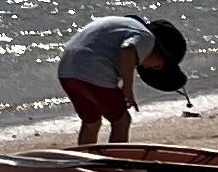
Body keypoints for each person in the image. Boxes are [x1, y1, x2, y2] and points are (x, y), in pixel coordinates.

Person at [55, 12, 187, 147]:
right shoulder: (147, 38)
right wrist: (128, 88)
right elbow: (128, 49)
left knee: (91, 122)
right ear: (157, 50)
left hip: (66, 70)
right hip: (94, 70)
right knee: (122, 121)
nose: (149, 67)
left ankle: (84, 158)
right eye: (158, 65)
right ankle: (115, 160)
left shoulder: (127, 26)